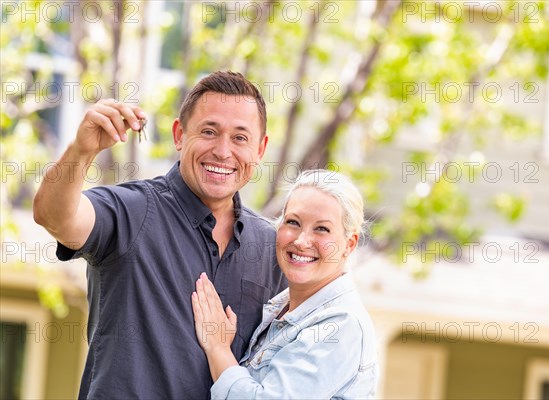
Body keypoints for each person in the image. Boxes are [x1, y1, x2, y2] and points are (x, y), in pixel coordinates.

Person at [33, 71, 287, 398]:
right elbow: (54, 216)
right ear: (179, 135)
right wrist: (81, 151)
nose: (223, 152)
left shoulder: (272, 247)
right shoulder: (131, 212)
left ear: (260, 149)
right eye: (209, 131)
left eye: (240, 138)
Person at [192, 169, 378, 399]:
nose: (301, 241)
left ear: (349, 244)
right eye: (293, 222)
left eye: (322, 228)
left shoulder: (340, 324)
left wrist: (219, 349)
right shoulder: (279, 308)